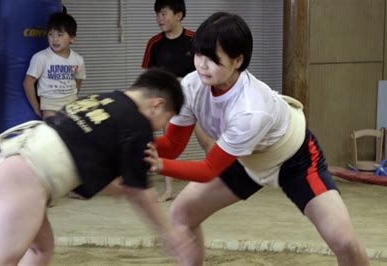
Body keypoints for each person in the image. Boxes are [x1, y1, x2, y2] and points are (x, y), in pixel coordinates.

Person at [145, 12, 370, 265]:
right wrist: (136, 147)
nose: (201, 65)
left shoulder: (251, 108)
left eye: (212, 58)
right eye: (198, 55)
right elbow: (173, 145)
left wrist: (159, 164)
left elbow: (208, 169)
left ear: (237, 60)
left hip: (295, 159)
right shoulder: (192, 86)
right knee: (182, 214)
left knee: (344, 242)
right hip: (243, 159)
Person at [0, 69, 194, 265]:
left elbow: (80, 153)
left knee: (41, 249)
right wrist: (169, 233)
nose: (162, 127)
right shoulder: (137, 125)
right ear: (157, 105)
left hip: (11, 165)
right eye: (168, 118)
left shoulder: (104, 100)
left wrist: (117, 189)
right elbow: (140, 192)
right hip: (24, 180)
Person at [142, 0, 202, 202]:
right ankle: (168, 190)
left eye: (164, 13)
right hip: (170, 102)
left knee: (207, 140)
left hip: (197, 99)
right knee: (168, 145)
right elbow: (149, 78)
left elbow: (206, 70)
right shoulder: (154, 43)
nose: (160, 19)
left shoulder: (195, 40)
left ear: (179, 15)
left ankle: (218, 183)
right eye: (157, 14)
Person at [24, 12, 86, 120]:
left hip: (71, 105)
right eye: (51, 34)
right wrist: (36, 107)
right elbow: (28, 83)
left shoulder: (78, 59)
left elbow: (78, 81)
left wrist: (72, 98)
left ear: (72, 38)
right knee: (53, 133)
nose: (54, 39)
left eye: (60, 35)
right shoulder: (41, 58)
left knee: (70, 134)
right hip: (50, 106)